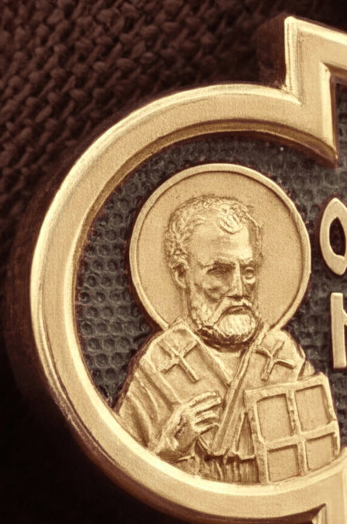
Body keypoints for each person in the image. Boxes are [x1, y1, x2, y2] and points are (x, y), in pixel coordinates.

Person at [116, 193, 332, 486]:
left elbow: (320, 465)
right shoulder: (160, 363)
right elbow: (121, 480)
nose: (239, 289)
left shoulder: (283, 356)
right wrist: (169, 451)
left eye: (248, 271)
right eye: (220, 271)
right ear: (181, 273)